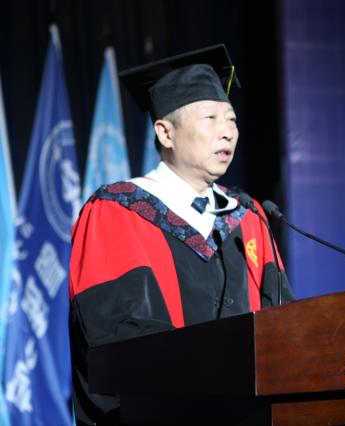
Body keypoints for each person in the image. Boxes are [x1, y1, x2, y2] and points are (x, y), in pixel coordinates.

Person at [68, 44, 294, 425]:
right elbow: (120, 341)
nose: (227, 132)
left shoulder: (249, 217)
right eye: (210, 117)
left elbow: (283, 326)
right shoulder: (116, 211)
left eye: (232, 120)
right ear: (166, 132)